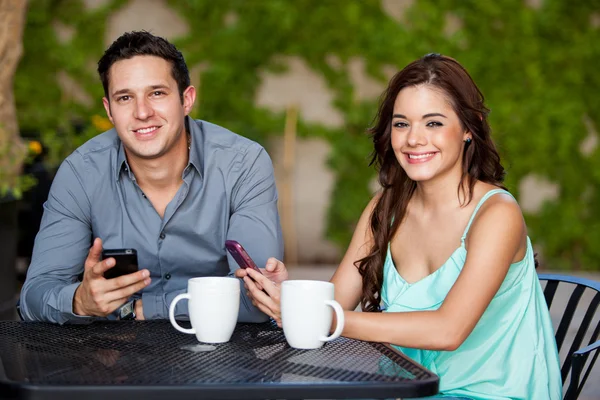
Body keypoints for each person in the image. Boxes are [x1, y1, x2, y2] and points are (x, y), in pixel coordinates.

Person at [237, 54, 562, 399]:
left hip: (492, 394)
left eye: (433, 123)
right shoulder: (385, 207)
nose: (414, 139)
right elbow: (338, 300)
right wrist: (294, 297)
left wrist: (327, 318)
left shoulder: (497, 214)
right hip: (406, 391)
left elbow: (448, 330)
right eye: (402, 123)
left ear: (469, 128)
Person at [19, 31, 286, 324]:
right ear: (109, 110)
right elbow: (34, 296)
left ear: (187, 100)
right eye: (125, 98)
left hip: (222, 353)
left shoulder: (243, 164)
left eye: (157, 93)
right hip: (114, 361)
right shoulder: (82, 173)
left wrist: (139, 310)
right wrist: (79, 301)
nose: (142, 112)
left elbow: (259, 297)